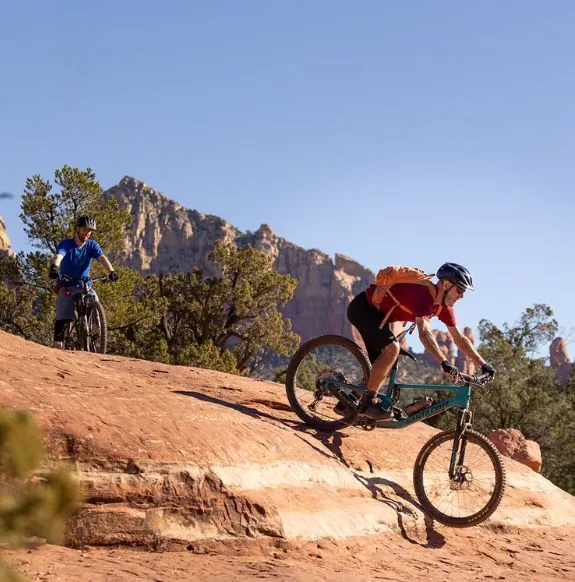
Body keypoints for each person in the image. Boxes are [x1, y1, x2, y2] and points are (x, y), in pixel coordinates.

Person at [345, 262, 495, 420]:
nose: (461, 296)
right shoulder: (424, 295)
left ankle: (348, 403)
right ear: (445, 285)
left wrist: (483, 364)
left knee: (386, 366)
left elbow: (459, 338)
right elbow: (424, 333)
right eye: (460, 290)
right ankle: (367, 404)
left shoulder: (443, 307)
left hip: (378, 317)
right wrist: (443, 361)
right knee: (392, 349)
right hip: (363, 309)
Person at [48, 216, 119, 349]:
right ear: (77, 229)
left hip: (84, 285)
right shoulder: (67, 244)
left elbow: (102, 257)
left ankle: (96, 335)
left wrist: (111, 271)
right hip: (67, 283)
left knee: (95, 301)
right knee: (63, 310)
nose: (87, 233)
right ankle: (58, 341)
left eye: (90, 231)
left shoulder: (92, 245)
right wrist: (54, 267)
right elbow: (59, 256)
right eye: (85, 229)